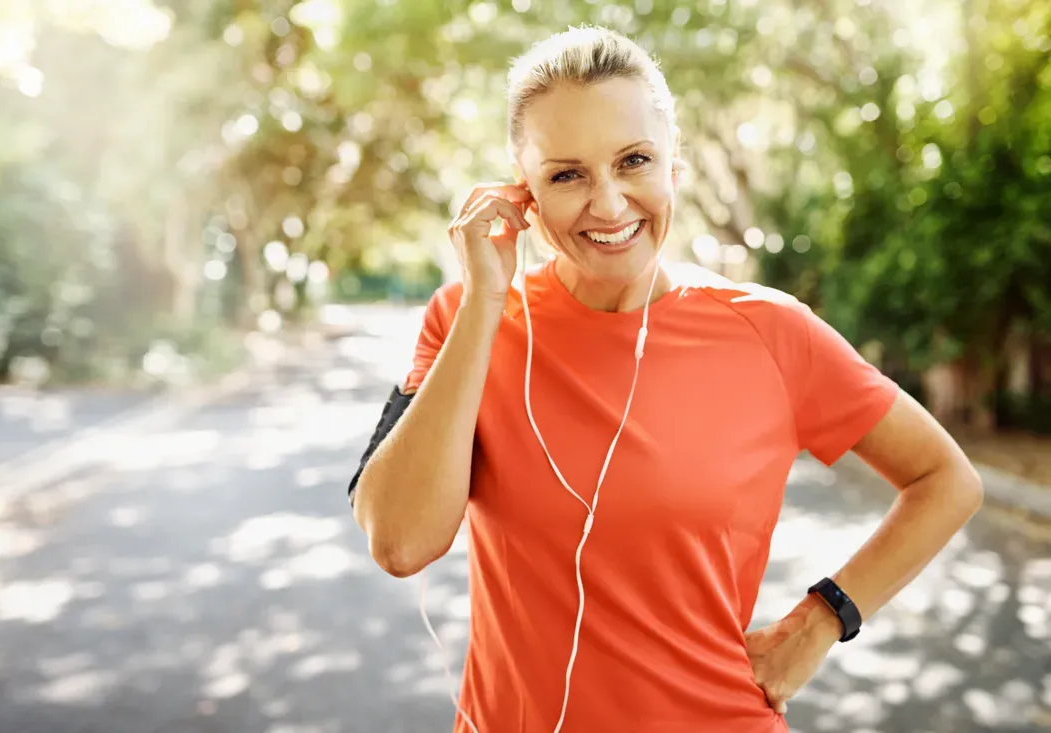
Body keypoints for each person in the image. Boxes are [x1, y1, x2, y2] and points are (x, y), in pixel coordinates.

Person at [347, 26, 984, 733]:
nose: (610, 204)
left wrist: (819, 621)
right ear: (520, 190)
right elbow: (400, 542)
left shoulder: (770, 331)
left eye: (634, 161)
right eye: (567, 174)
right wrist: (483, 306)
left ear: (672, 163)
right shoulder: (465, 317)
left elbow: (945, 478)